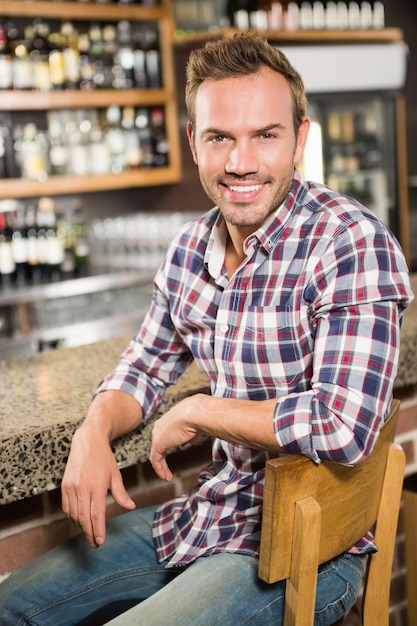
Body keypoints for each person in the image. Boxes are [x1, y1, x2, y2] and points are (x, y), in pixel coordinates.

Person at [0, 33, 413, 626]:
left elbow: (342, 426)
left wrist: (198, 412)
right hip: (211, 514)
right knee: (11, 605)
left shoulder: (351, 243)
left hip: (314, 545)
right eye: (220, 137)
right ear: (194, 142)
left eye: (265, 136)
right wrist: (92, 431)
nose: (240, 162)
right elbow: (142, 369)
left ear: (300, 138)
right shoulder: (190, 248)